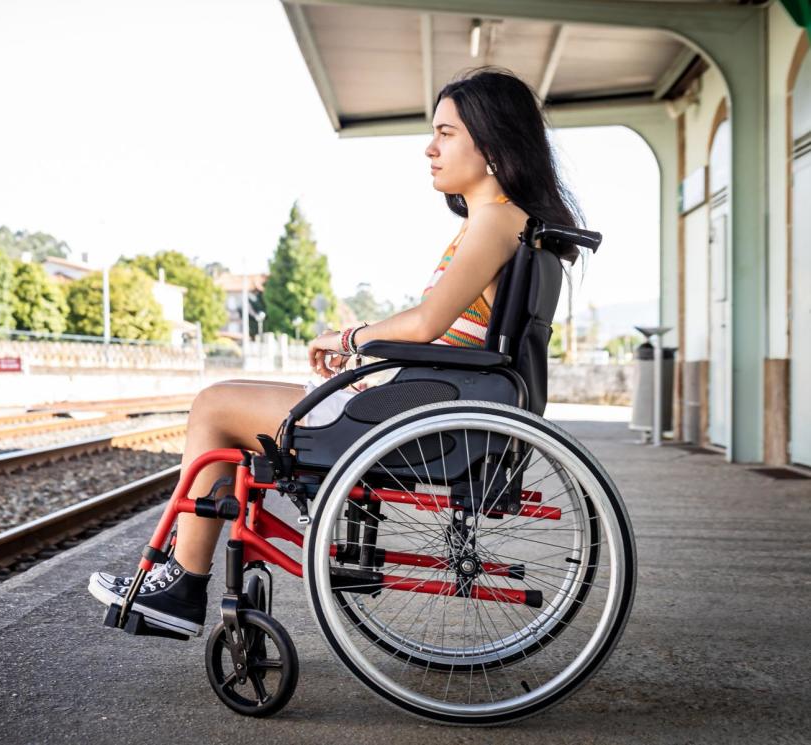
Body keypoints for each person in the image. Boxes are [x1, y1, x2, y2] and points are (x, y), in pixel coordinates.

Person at [87, 67, 584, 637]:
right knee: (225, 414)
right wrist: (360, 350)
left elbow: (426, 322)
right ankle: (181, 579)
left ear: (491, 143)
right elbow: (439, 331)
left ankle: (181, 583)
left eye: (445, 133)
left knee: (214, 407)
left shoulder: (496, 220)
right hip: (428, 402)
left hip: (418, 414)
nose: (430, 148)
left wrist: (345, 338)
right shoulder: (511, 221)